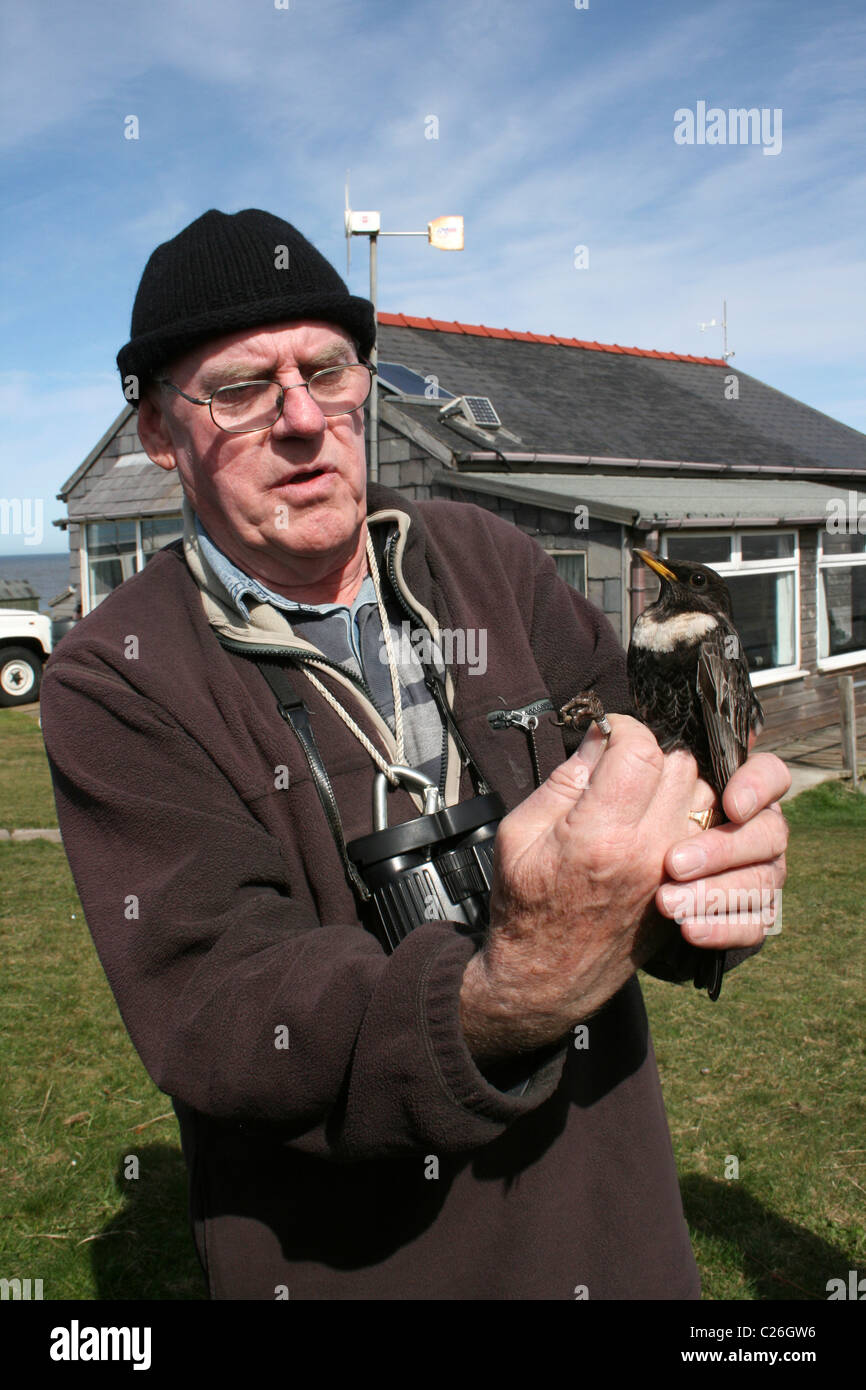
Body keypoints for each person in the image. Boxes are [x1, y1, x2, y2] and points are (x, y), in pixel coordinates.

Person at [40, 208, 789, 1300]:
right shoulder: (118, 676)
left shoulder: (485, 556)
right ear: (158, 433)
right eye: (242, 389)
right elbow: (226, 1010)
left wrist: (718, 880)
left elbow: (668, 786)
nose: (302, 420)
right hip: (357, 1265)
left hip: (612, 1236)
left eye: (329, 370)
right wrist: (504, 988)